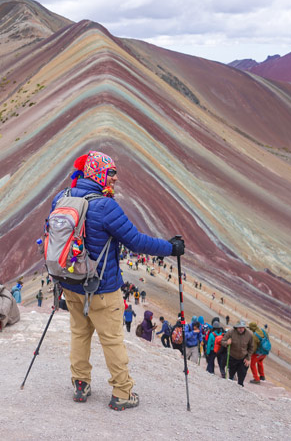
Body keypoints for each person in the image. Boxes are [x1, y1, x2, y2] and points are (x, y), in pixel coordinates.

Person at [50, 151, 184, 411]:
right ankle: (122, 392)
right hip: (102, 287)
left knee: (80, 333)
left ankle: (80, 383)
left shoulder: (61, 197)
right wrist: (171, 248)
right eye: (111, 172)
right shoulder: (105, 206)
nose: (115, 177)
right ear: (98, 172)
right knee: (111, 339)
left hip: (69, 282)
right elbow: (135, 241)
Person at [222, 320, 254, 386]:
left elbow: (251, 347)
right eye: (239, 327)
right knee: (231, 375)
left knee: (241, 376)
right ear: (236, 327)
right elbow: (222, 341)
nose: (241, 329)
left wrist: (248, 358)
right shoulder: (231, 332)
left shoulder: (249, 334)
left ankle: (240, 388)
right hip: (232, 357)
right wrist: (226, 343)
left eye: (242, 327)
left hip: (243, 358)